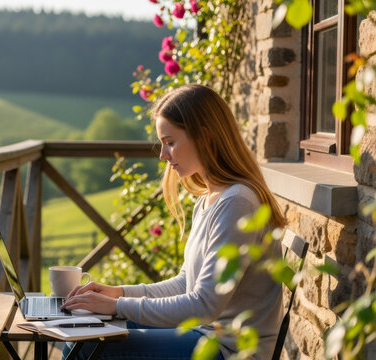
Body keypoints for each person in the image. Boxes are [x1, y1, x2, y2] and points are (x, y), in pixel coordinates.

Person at [61, 84, 285, 360]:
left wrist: (117, 305)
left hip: (228, 350)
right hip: (202, 335)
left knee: (86, 347)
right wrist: (116, 294)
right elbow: (185, 283)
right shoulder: (210, 199)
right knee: (83, 330)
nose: (163, 155)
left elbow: (204, 305)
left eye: (170, 142)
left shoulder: (237, 202)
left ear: (204, 137)